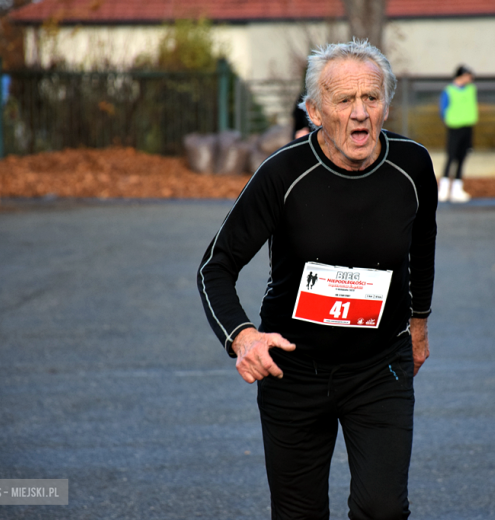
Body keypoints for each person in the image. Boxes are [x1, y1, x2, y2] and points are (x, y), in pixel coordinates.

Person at [197, 39, 437, 519]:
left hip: (379, 368)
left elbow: (422, 244)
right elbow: (215, 267)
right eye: (344, 100)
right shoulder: (282, 174)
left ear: (386, 106)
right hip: (293, 371)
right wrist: (242, 337)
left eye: (371, 97)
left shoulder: (411, 166)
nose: (360, 113)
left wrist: (418, 322)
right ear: (314, 111)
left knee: (383, 509)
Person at [439, 65, 478, 203]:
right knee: (451, 157)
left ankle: (457, 189)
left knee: (462, 157)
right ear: (461, 76)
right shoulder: (449, 91)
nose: (471, 78)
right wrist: (447, 120)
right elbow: (443, 109)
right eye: (468, 75)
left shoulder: (471, 89)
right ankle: (443, 190)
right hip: (454, 127)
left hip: (468, 126)